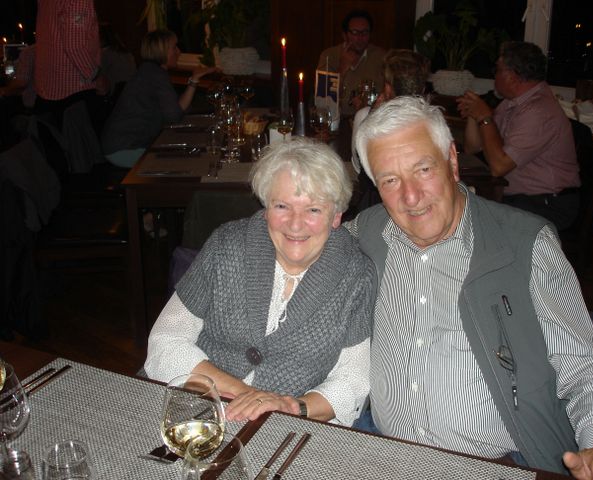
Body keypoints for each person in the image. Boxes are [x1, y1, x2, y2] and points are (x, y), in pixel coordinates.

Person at [349, 96, 593, 479]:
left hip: (501, 464)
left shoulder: (525, 245)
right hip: (384, 453)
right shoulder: (367, 232)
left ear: (452, 160)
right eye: (390, 180)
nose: (410, 197)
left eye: (423, 169)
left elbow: (585, 369)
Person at [144, 138, 376, 426]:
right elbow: (165, 340)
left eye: (313, 210)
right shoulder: (227, 246)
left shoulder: (356, 275)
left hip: (289, 426)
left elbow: (353, 380)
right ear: (266, 207)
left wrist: (291, 408)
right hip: (199, 406)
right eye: (282, 206)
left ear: (336, 215)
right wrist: (246, 395)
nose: (295, 224)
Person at [456, 41, 580, 231]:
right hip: (522, 198)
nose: (494, 76)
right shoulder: (512, 104)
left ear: (512, 76)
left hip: (548, 203)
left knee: (471, 223)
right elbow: (473, 148)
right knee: (459, 209)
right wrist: (474, 115)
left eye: (498, 70)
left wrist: (484, 117)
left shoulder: (538, 110)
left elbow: (499, 167)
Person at [101, 29, 216, 168]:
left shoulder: (150, 70)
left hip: (122, 145)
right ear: (162, 51)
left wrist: (194, 79)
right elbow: (174, 116)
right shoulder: (155, 74)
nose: (179, 52)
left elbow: (177, 109)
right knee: (187, 161)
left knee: (189, 152)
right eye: (174, 47)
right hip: (125, 148)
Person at [351, 48, 430, 211]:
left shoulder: (366, 117)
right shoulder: (433, 123)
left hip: (377, 206)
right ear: (422, 89)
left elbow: (359, 166)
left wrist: (368, 114)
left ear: (387, 88)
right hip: (421, 202)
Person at [317, 9, 386, 115]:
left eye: (365, 32)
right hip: (336, 118)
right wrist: (342, 68)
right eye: (354, 32)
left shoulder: (381, 57)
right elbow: (324, 99)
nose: (360, 37)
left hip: (369, 118)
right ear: (344, 35)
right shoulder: (329, 56)